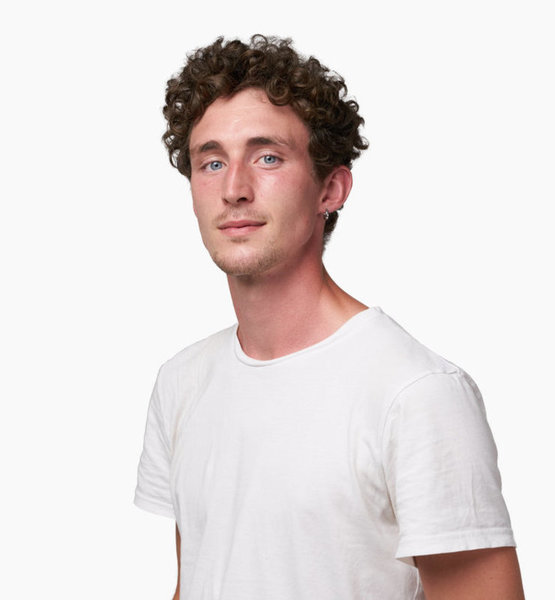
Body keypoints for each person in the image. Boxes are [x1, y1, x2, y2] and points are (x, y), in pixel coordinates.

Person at [134, 35, 524, 599]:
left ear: (331, 189)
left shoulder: (416, 394)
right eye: (211, 162)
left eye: (268, 157)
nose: (234, 189)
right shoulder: (182, 380)